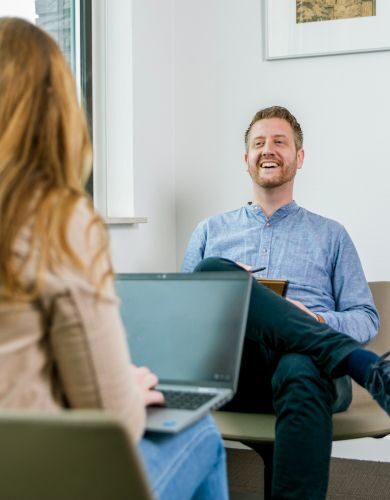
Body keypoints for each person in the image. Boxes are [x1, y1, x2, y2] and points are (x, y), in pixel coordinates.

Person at [0, 18, 228, 500]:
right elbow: (110, 418)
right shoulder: (58, 221)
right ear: (58, 111)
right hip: (36, 479)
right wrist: (129, 386)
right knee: (202, 434)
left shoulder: (328, 235)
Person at [182, 106, 390, 499]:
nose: (268, 150)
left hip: (310, 371)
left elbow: (365, 317)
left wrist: (313, 318)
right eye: (258, 143)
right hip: (235, 372)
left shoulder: (331, 235)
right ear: (246, 159)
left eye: (280, 142)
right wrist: (237, 289)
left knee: (300, 365)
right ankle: (367, 368)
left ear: (300, 156)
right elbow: (186, 315)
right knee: (212, 268)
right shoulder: (210, 230)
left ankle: (326, 349)